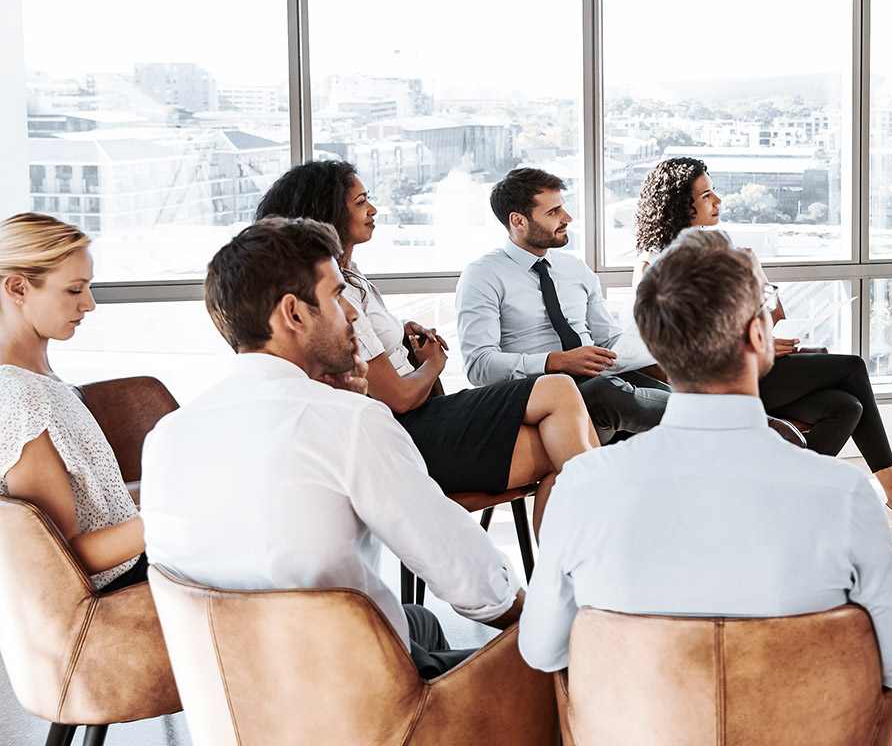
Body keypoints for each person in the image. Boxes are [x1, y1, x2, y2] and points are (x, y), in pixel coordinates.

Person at [519, 228, 892, 690]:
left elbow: (542, 650)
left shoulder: (583, 486)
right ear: (759, 334)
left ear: (655, 344)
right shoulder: (846, 496)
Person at [141, 218, 521, 677]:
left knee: (418, 622)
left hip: (233, 694)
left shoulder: (166, 436)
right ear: (294, 314)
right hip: (349, 696)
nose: (354, 313)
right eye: (338, 295)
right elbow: (475, 586)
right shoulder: (349, 423)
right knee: (560, 670)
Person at [256, 161, 598, 529]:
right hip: (407, 430)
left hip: (420, 420)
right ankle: (592, 564)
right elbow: (399, 398)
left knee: (565, 450)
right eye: (360, 202)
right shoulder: (340, 295)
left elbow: (374, 357)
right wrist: (433, 363)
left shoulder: (351, 278)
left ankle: (566, 577)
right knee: (561, 397)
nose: (372, 210)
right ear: (328, 213)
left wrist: (400, 334)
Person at [631, 156, 892, 538]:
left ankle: (783, 504)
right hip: (716, 383)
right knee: (852, 367)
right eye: (706, 195)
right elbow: (669, 348)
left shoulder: (726, 254)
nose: (718, 201)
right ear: (680, 206)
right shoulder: (654, 267)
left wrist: (757, 277)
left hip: (757, 367)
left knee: (844, 407)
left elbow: (774, 323)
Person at [457, 167, 670, 441]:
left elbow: (608, 338)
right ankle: (724, 418)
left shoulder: (575, 268)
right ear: (518, 221)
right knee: (606, 392)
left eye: (563, 208)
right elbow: (479, 366)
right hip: (537, 390)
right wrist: (557, 362)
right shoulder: (482, 275)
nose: (567, 218)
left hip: (597, 378)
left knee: (674, 389)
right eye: (553, 212)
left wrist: (644, 348)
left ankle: (714, 420)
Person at [0, 213, 146, 593]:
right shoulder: (18, 395)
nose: (90, 304)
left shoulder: (41, 381)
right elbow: (62, 555)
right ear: (17, 287)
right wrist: (178, 518)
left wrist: (172, 489)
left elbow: (99, 504)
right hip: (120, 594)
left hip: (132, 570)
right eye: (74, 290)